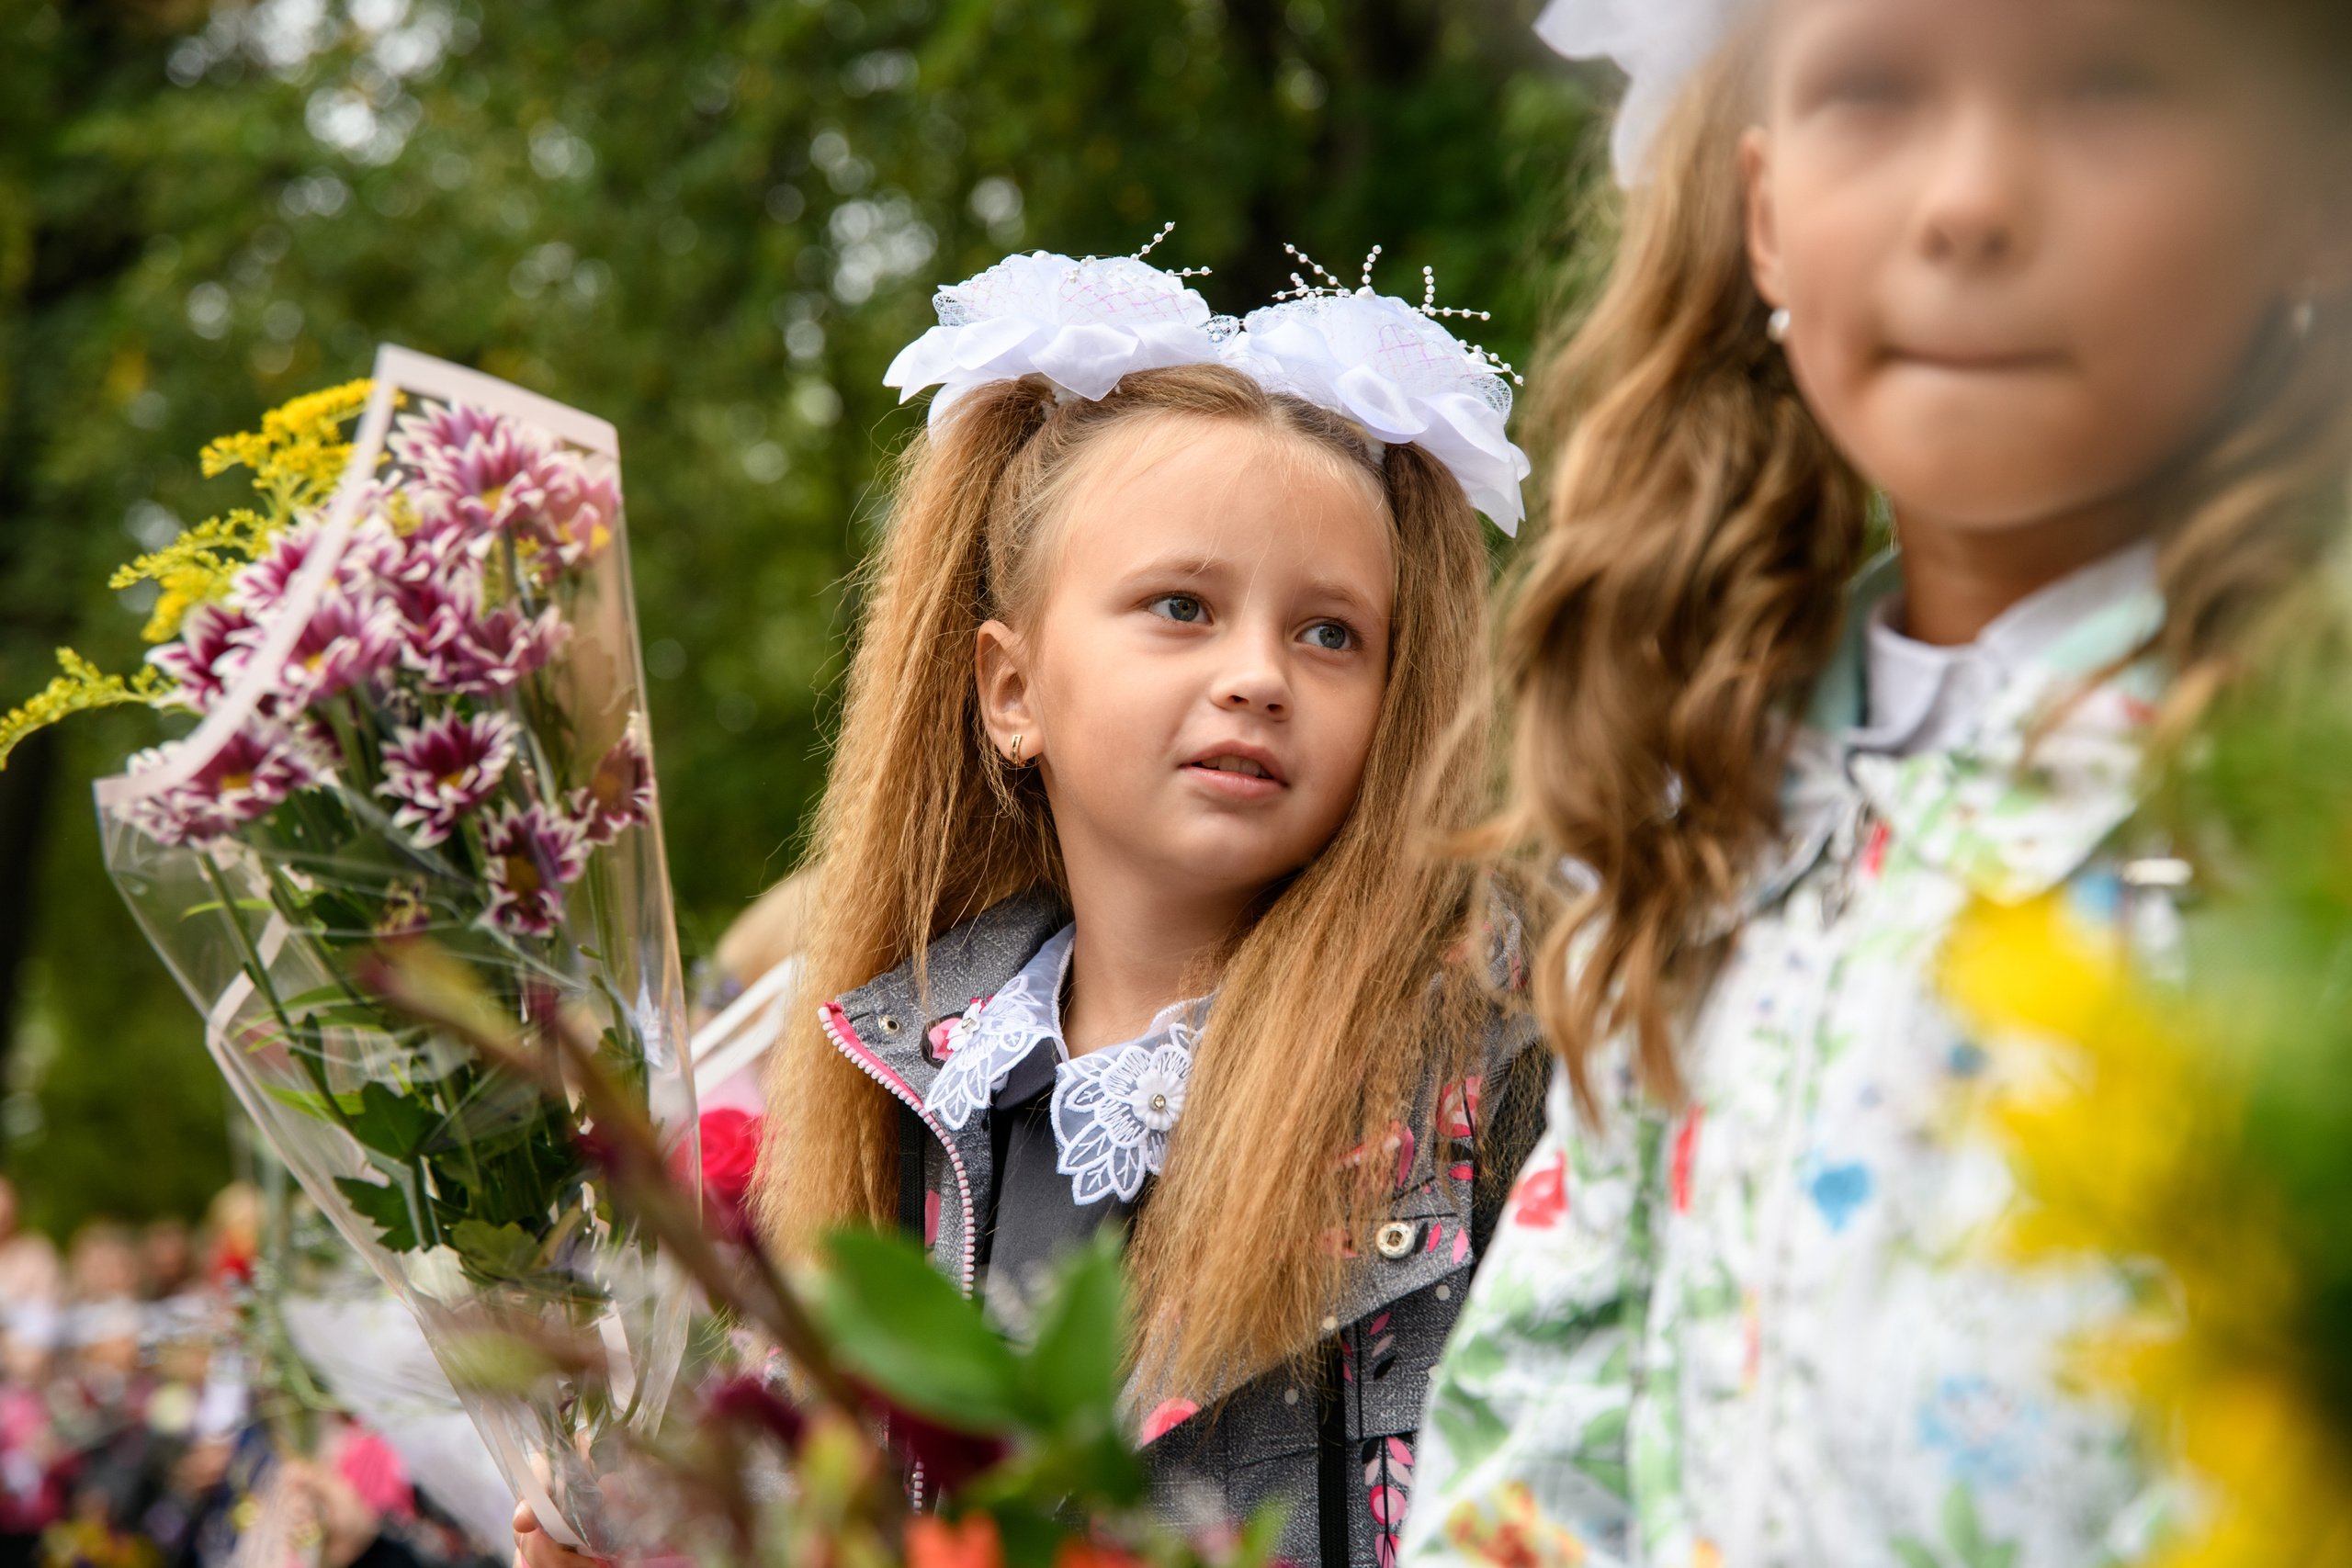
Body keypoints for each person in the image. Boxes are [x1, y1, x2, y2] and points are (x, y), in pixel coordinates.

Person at [1401, 2, 2352, 1564]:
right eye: (1879, 91)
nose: (1969, 199)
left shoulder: (2299, 794)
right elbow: (1540, 1432)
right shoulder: (1703, 798)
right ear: (1766, 216)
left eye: (2110, 84)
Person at [518, 243, 1547, 1568]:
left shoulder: (1495, 1064)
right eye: (1182, 607)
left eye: (1331, 632)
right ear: (1011, 691)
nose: (1260, 675)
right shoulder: (894, 1095)